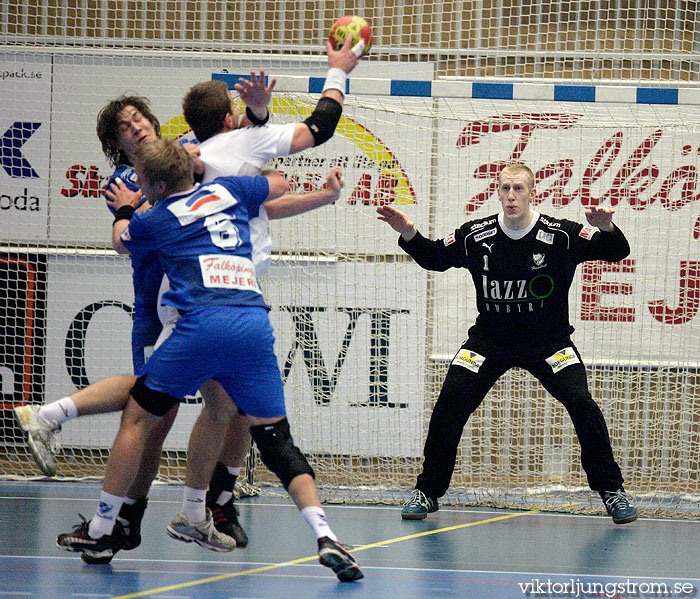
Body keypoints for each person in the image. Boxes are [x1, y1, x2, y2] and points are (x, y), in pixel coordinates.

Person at [57, 138, 363, 582]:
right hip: (253, 325)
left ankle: (103, 526)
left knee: (137, 418)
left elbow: (123, 241)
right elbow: (277, 182)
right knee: (277, 442)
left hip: (199, 325)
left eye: (142, 182)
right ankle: (325, 534)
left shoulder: (156, 218)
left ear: (158, 184)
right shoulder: (233, 191)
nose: (138, 186)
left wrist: (126, 208)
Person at [167, 32, 361, 546]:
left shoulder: (203, 156)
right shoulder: (239, 146)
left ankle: (216, 501)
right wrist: (339, 68)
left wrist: (320, 196)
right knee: (169, 406)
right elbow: (319, 129)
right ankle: (182, 507)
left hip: (210, 293)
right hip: (219, 300)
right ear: (230, 116)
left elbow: (265, 204)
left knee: (226, 408)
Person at [376, 163, 638, 525]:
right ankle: (427, 491)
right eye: (504, 189)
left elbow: (615, 252)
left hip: (548, 342)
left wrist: (606, 227)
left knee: (582, 403)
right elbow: (435, 258)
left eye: (518, 188)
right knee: (450, 402)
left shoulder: (560, 234)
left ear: (532, 193)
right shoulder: (476, 235)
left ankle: (612, 491)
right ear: (497, 193)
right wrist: (408, 233)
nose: (511, 195)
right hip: (490, 341)